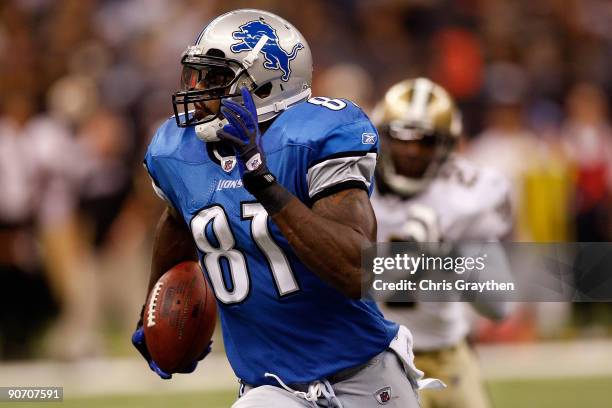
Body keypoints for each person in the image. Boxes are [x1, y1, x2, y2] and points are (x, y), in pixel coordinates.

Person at [131, 9, 434, 408]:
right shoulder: (177, 151)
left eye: (217, 78)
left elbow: (356, 270)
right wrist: (153, 308)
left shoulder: (314, 137)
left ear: (265, 85)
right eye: (197, 75)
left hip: (363, 379)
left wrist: (264, 183)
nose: (200, 90)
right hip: (271, 389)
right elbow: (177, 219)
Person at [371, 78, 512, 408]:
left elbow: (499, 306)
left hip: (445, 355)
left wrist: (447, 258)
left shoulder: (467, 197)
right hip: (369, 357)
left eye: (426, 141)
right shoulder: (351, 184)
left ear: (447, 146)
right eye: (401, 138)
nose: (411, 150)